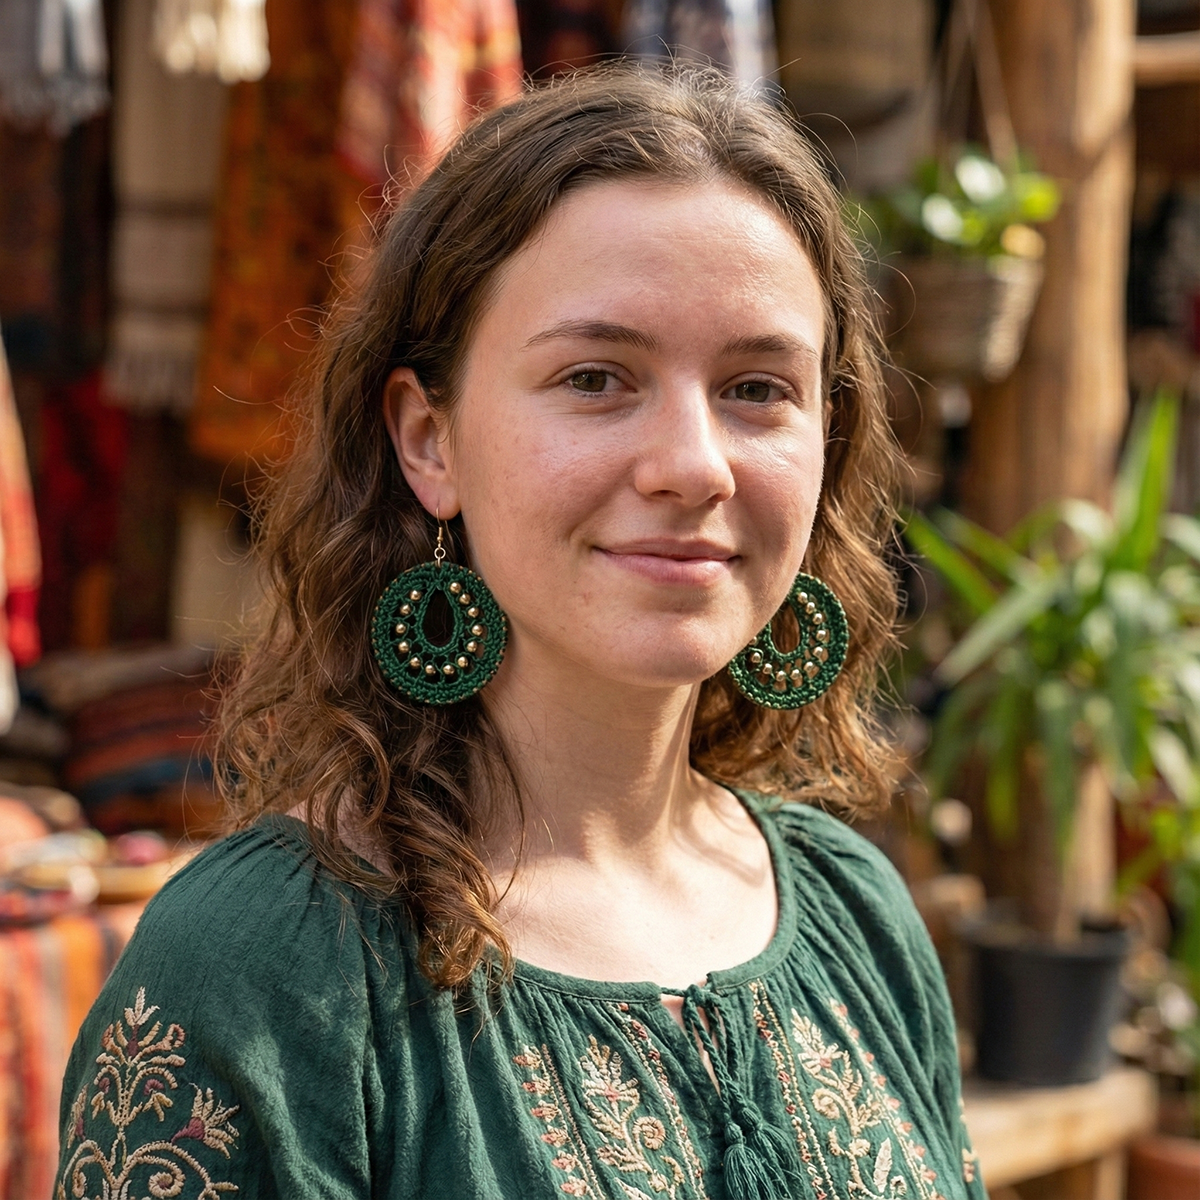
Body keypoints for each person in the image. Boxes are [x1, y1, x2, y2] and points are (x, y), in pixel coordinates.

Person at [56, 67, 986, 1200]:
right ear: (427, 441)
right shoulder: (260, 967)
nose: (694, 464)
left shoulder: (857, 913)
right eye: (596, 378)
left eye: (757, 388)